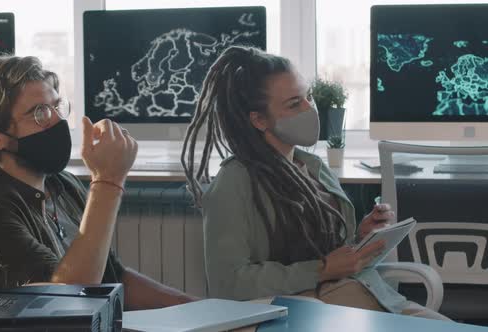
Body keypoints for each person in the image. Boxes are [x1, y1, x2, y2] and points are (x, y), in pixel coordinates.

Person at [181, 46, 448, 320]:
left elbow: (326, 254)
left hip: (370, 297)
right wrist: (321, 269)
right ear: (259, 120)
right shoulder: (234, 182)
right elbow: (228, 284)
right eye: (294, 104)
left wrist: (359, 240)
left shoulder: (313, 166)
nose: (310, 108)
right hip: (315, 311)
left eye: (307, 97)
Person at [0, 55, 196, 309]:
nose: (57, 120)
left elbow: (113, 278)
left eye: (57, 107)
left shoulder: (62, 184)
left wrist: (193, 307)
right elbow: (67, 299)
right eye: (40, 113)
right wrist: (108, 182)